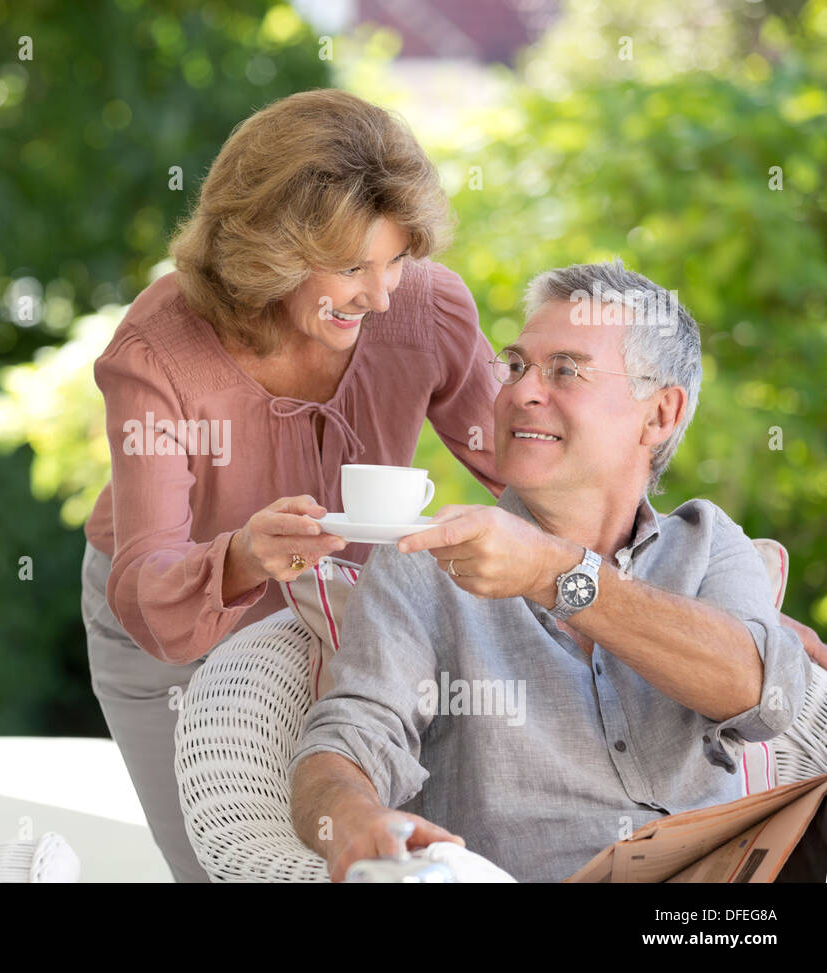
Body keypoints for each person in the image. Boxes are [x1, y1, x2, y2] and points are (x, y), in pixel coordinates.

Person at [81, 89, 504, 882]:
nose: (381, 296)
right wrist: (241, 555)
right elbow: (147, 580)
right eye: (350, 268)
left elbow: (542, 472)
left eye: (397, 258)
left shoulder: (424, 308)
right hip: (174, 630)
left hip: (349, 618)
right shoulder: (160, 348)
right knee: (229, 868)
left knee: (377, 861)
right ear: (266, 254)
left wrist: (706, 597)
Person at [288, 259, 819, 882]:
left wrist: (554, 572)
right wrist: (349, 817)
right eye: (515, 366)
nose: (520, 392)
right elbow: (351, 737)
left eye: (565, 370)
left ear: (660, 415)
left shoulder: (708, 544)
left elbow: (760, 697)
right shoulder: (425, 563)